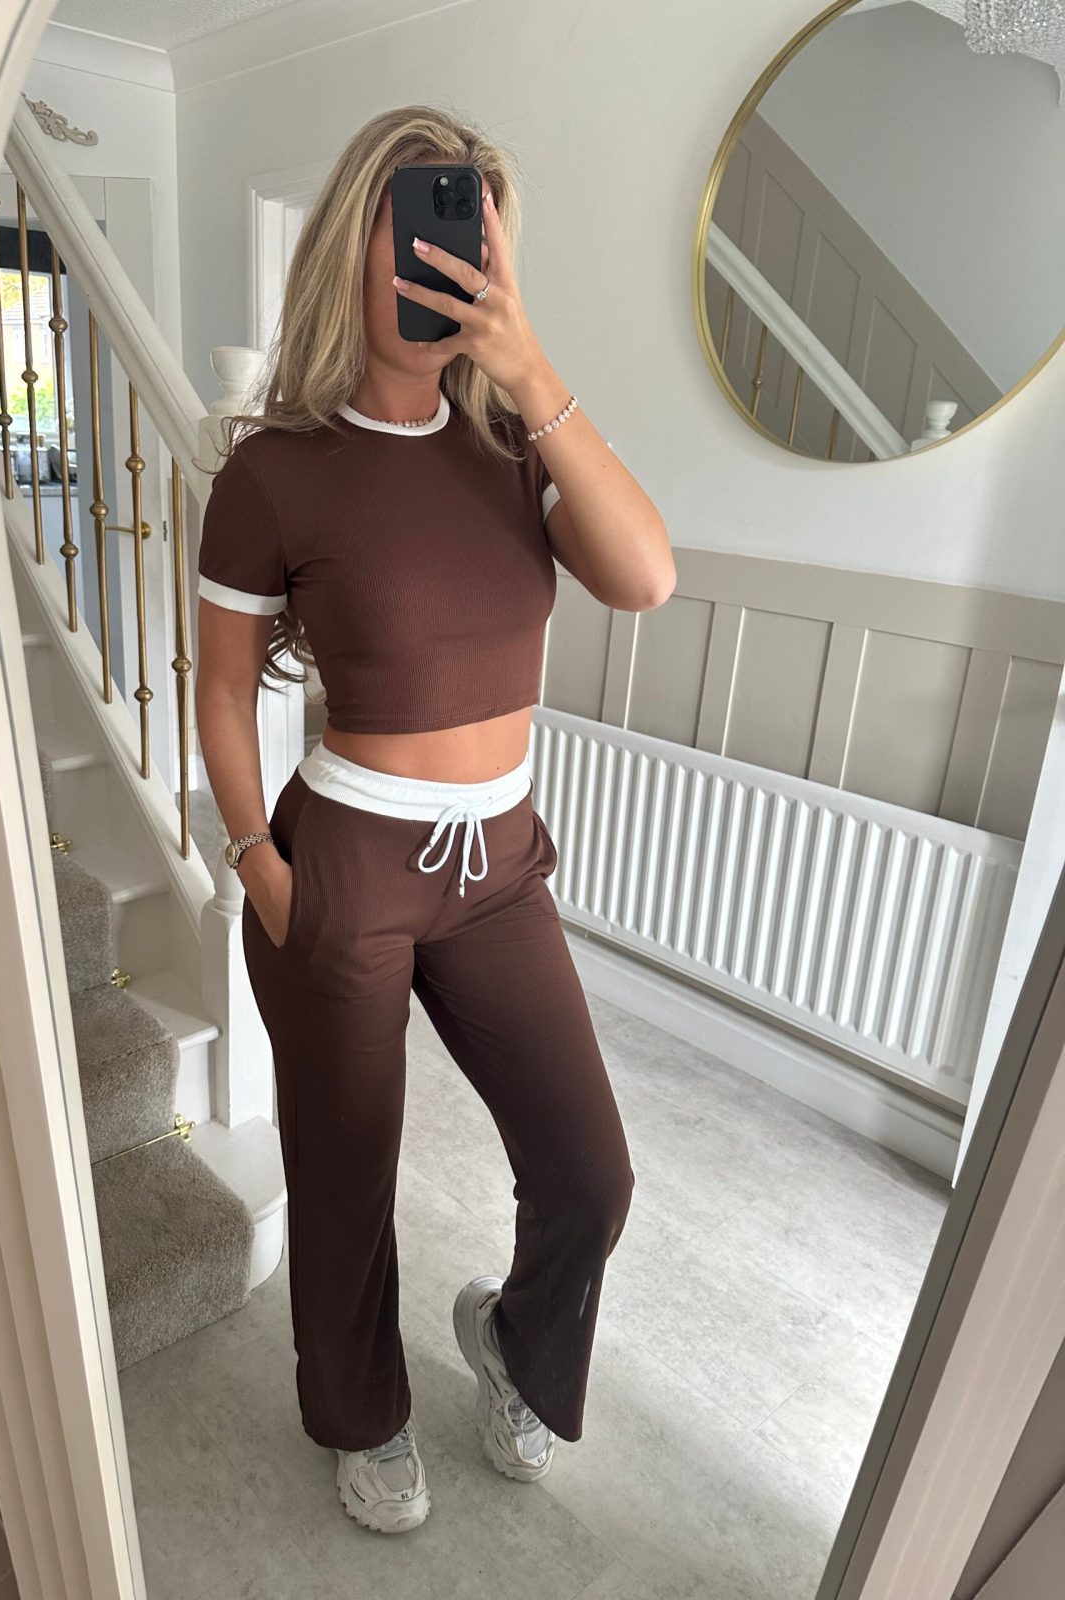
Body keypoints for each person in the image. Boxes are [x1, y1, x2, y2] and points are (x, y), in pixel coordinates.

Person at [195, 103, 675, 1536]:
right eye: (415, 229)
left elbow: (645, 579)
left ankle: (515, 1338)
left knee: (588, 1170)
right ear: (356, 242)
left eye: (471, 232)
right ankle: (361, 1412)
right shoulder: (274, 470)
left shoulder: (520, 442)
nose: (443, 262)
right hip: (345, 861)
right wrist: (260, 866)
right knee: (346, 1178)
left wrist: (532, 371)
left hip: (499, 865)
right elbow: (220, 693)